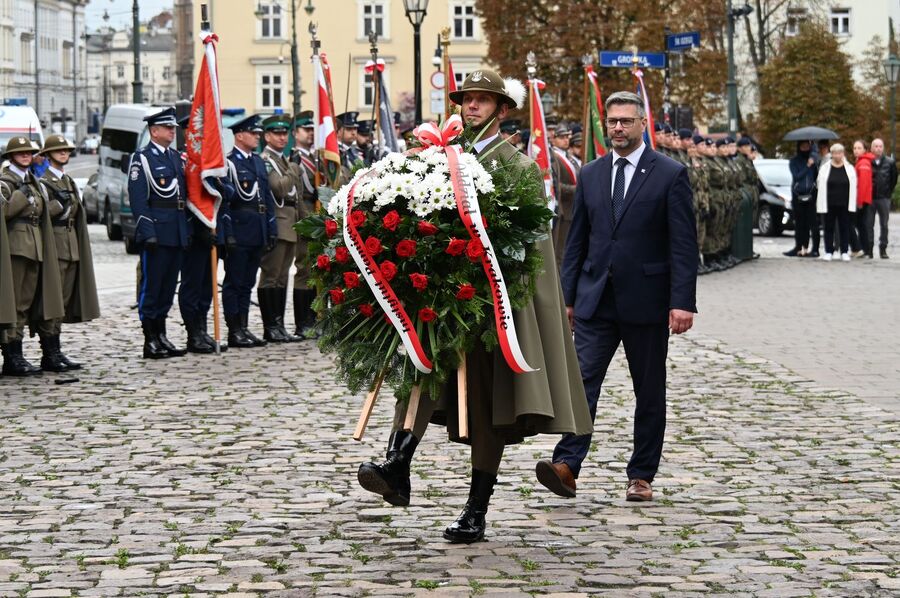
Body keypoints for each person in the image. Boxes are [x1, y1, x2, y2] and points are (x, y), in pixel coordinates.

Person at [356, 68, 592, 544]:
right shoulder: (439, 159)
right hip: (440, 298)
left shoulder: (519, 168)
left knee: (488, 408)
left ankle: (476, 509)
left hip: (493, 306)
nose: (472, 106)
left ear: (502, 110)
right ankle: (398, 464)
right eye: (467, 99)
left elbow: (530, 246)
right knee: (420, 372)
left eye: (483, 100)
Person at [534, 91, 698, 503]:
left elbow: (683, 245)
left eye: (626, 121)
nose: (618, 128)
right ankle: (566, 465)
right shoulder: (591, 174)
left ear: (643, 124)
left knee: (649, 391)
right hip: (596, 300)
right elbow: (576, 242)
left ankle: (641, 475)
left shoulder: (669, 174)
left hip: (647, 301)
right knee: (581, 383)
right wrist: (568, 297)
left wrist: (682, 301)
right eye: (612, 122)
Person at [128, 107, 190, 359]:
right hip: (156, 231)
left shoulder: (175, 157)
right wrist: (147, 232)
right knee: (152, 287)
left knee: (167, 288)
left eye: (173, 128)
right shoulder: (142, 158)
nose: (173, 131)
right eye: (167, 128)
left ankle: (162, 334)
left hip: (175, 231)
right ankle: (150, 338)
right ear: (154, 131)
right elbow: (138, 200)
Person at [36, 135, 100, 370]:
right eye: (58, 150)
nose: (64, 153)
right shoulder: (43, 182)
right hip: (56, 244)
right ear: (47, 154)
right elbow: (40, 214)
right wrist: (57, 206)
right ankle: (49, 353)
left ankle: (56, 350)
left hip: (71, 244)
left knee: (62, 302)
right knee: (52, 301)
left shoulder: (68, 180)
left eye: (66, 150)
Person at [0, 137, 63, 375]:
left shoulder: (32, 181)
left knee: (26, 303)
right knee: (14, 303)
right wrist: (21, 196)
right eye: (21, 152)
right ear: (11, 156)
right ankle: (12, 356)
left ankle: (21, 354)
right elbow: (4, 211)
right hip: (16, 247)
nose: (26, 155)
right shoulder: (6, 182)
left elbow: (41, 210)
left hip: (35, 245)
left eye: (29, 152)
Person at [174, 114, 229, 354]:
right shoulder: (182, 161)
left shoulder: (211, 162)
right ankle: (192, 334)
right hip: (193, 234)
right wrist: (198, 230)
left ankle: (203, 330)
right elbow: (182, 200)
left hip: (211, 231)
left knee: (207, 286)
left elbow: (226, 194)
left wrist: (218, 185)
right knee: (192, 286)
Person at [221, 114, 277, 348]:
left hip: (257, 229)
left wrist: (271, 228)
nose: (257, 137)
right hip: (239, 229)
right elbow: (225, 202)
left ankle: (243, 327)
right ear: (239, 136)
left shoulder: (257, 162)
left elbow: (266, 197)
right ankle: (234, 329)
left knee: (247, 283)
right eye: (253, 133)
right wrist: (228, 233)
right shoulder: (229, 163)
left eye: (258, 134)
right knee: (234, 282)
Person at [258, 113, 303, 343]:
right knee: (271, 276)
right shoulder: (267, 160)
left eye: (285, 133)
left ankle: (280, 325)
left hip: (290, 222)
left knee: (283, 277)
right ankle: (270, 327)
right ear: (267, 136)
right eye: (277, 134)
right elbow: (280, 188)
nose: (282, 137)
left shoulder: (282, 159)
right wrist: (294, 167)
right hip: (277, 221)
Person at [290, 111, 319, 337]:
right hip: (304, 214)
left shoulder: (318, 157)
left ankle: (317, 319)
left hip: (319, 214)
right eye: (305, 130)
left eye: (312, 130)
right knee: (305, 269)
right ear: (295, 133)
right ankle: (303, 322)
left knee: (319, 269)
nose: (310, 133)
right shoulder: (294, 159)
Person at [816, 143, 857, 261]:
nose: (837, 155)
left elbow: (854, 184)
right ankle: (829, 251)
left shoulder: (849, 168)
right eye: (835, 153)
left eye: (839, 153)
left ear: (843, 154)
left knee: (845, 227)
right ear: (832, 154)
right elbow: (819, 182)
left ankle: (844, 251)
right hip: (829, 202)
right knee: (828, 228)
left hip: (845, 203)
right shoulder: (825, 168)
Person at [550, 123, 580, 270]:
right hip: (562, 208)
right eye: (561, 137)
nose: (566, 140)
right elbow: (554, 184)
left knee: (568, 249)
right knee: (559, 251)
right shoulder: (553, 157)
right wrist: (576, 189)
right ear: (554, 138)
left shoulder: (569, 157)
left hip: (572, 208)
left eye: (567, 137)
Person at [786, 141, 819, 258]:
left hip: (811, 194)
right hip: (797, 194)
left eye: (807, 146)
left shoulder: (813, 160)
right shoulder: (794, 161)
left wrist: (813, 164)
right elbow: (797, 176)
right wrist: (807, 166)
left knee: (813, 223)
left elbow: (816, 176)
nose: (805, 149)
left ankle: (815, 249)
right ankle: (799, 247)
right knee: (799, 223)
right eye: (803, 146)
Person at [869, 138, 896, 259]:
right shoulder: (868, 161)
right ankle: (869, 248)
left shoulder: (890, 162)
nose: (878, 148)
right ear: (871, 148)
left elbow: (893, 179)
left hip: (884, 198)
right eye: (876, 146)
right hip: (870, 197)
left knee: (884, 224)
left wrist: (888, 192)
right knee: (869, 224)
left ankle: (883, 248)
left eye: (880, 146)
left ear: (883, 148)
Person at [852, 140, 875, 258]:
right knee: (861, 225)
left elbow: (863, 184)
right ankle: (864, 249)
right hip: (862, 199)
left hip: (861, 199)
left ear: (865, 150)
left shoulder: (863, 163)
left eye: (859, 148)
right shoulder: (861, 161)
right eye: (855, 148)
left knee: (855, 224)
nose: (856, 150)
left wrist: (860, 201)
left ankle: (860, 248)